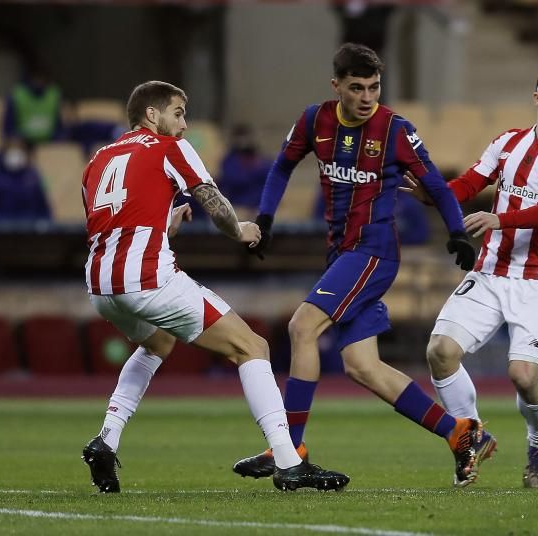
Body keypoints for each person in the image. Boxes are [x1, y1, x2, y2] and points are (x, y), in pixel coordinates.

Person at [231, 43, 485, 487]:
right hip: (342, 253)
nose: (368, 97)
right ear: (337, 87)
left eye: (374, 87)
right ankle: (459, 432)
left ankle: (290, 446)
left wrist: (457, 231)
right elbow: (281, 167)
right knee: (362, 366)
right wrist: (266, 219)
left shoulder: (395, 130)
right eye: (357, 88)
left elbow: (439, 188)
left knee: (302, 327)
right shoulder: (315, 119)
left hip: (374, 252)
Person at [80, 80, 350, 493]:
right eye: (178, 113)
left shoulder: (97, 160)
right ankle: (288, 461)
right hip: (149, 280)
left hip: (101, 287)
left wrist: (164, 225)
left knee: (159, 344)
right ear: (152, 115)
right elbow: (211, 198)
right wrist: (239, 230)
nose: (184, 125)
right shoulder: (170, 148)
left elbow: (114, 226)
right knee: (252, 347)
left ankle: (106, 439)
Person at [403, 64, 538, 488]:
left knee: (524, 378)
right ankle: (470, 434)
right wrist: (434, 196)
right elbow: (471, 182)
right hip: (491, 271)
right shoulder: (507, 142)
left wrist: (499, 219)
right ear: (537, 98)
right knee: (440, 351)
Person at [0, 138, 51, 221]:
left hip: (29, 229)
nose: (15, 156)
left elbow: (44, 209)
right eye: (11, 152)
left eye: (19, 152)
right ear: (4, 155)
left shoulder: (34, 179)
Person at [2, 62, 65, 145]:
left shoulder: (54, 93)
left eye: (41, 77)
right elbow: (8, 127)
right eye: (35, 77)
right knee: (14, 154)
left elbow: (60, 125)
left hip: (50, 143)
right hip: (24, 144)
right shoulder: (17, 94)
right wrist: (15, 138)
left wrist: (59, 138)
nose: (38, 81)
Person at [217, 124, 272, 219]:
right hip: (237, 205)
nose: (244, 142)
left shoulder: (262, 161)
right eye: (240, 139)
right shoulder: (230, 161)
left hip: (258, 205)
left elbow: (270, 182)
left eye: (247, 138)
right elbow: (232, 181)